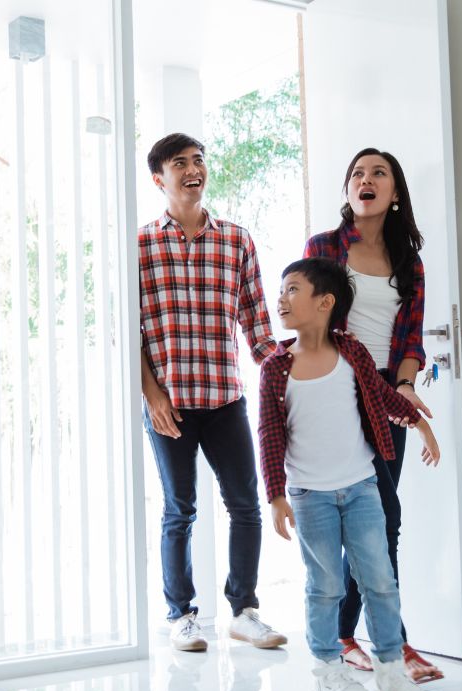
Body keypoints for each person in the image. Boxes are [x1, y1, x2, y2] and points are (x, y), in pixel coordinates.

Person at [259, 258, 441, 691]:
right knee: (324, 586)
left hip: (361, 489)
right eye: (281, 290)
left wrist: (419, 425)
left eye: (292, 289)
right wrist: (277, 495)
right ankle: (327, 673)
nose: (281, 298)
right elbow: (269, 434)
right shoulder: (276, 368)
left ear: (325, 303)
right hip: (310, 496)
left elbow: (383, 398)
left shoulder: (352, 354)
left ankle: (390, 673)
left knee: (379, 580)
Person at [139, 132, 286, 652]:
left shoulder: (236, 240)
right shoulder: (140, 246)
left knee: (245, 504)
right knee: (179, 508)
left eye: (199, 160)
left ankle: (244, 610)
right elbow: (128, 333)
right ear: (160, 179)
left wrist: (298, 369)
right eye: (180, 163)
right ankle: (181, 615)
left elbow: (259, 329)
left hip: (226, 397)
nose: (193, 169)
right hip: (170, 403)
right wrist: (152, 395)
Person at [303, 147, 443, 681]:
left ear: (394, 192)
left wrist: (405, 386)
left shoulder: (409, 262)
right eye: (357, 174)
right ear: (347, 191)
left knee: (377, 516)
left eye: (378, 173)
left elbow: (410, 337)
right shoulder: (325, 248)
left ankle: (345, 633)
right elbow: (311, 325)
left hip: (387, 394)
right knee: (383, 515)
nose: (366, 180)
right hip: (338, 391)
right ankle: (395, 644)